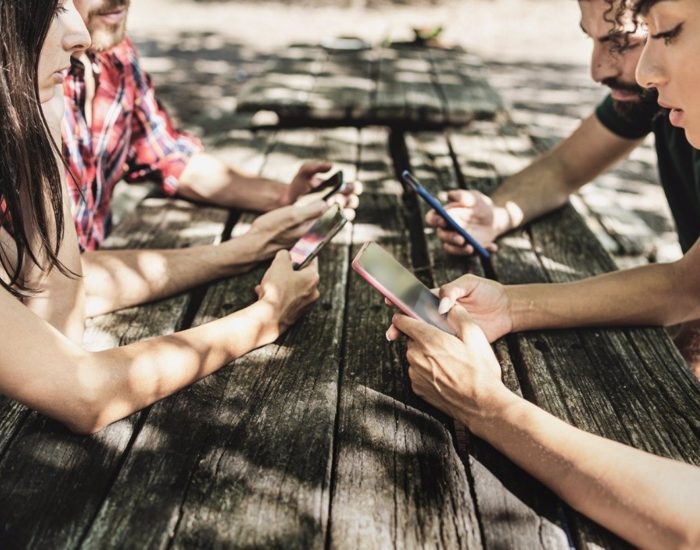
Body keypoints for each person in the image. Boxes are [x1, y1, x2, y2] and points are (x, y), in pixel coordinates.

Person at [387, 1, 700, 547]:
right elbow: (690, 283)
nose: (639, 70)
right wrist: (511, 303)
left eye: (665, 34)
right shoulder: (661, 100)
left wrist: (487, 407)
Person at [0, 0, 320, 435]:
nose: (81, 36)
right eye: (55, 6)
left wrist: (244, 249)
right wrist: (269, 315)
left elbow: (44, 301)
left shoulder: (63, 89)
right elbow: (84, 391)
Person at [424, 0, 700, 371]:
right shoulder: (660, 99)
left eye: (625, 41)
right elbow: (564, 167)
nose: (596, 69)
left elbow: (687, 288)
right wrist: (498, 212)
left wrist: (489, 407)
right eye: (593, 40)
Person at [59, 0, 358, 319]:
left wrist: (282, 197)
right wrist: (246, 249)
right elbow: (48, 285)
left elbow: (168, 155)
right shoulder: (20, 92)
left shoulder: (114, 54)